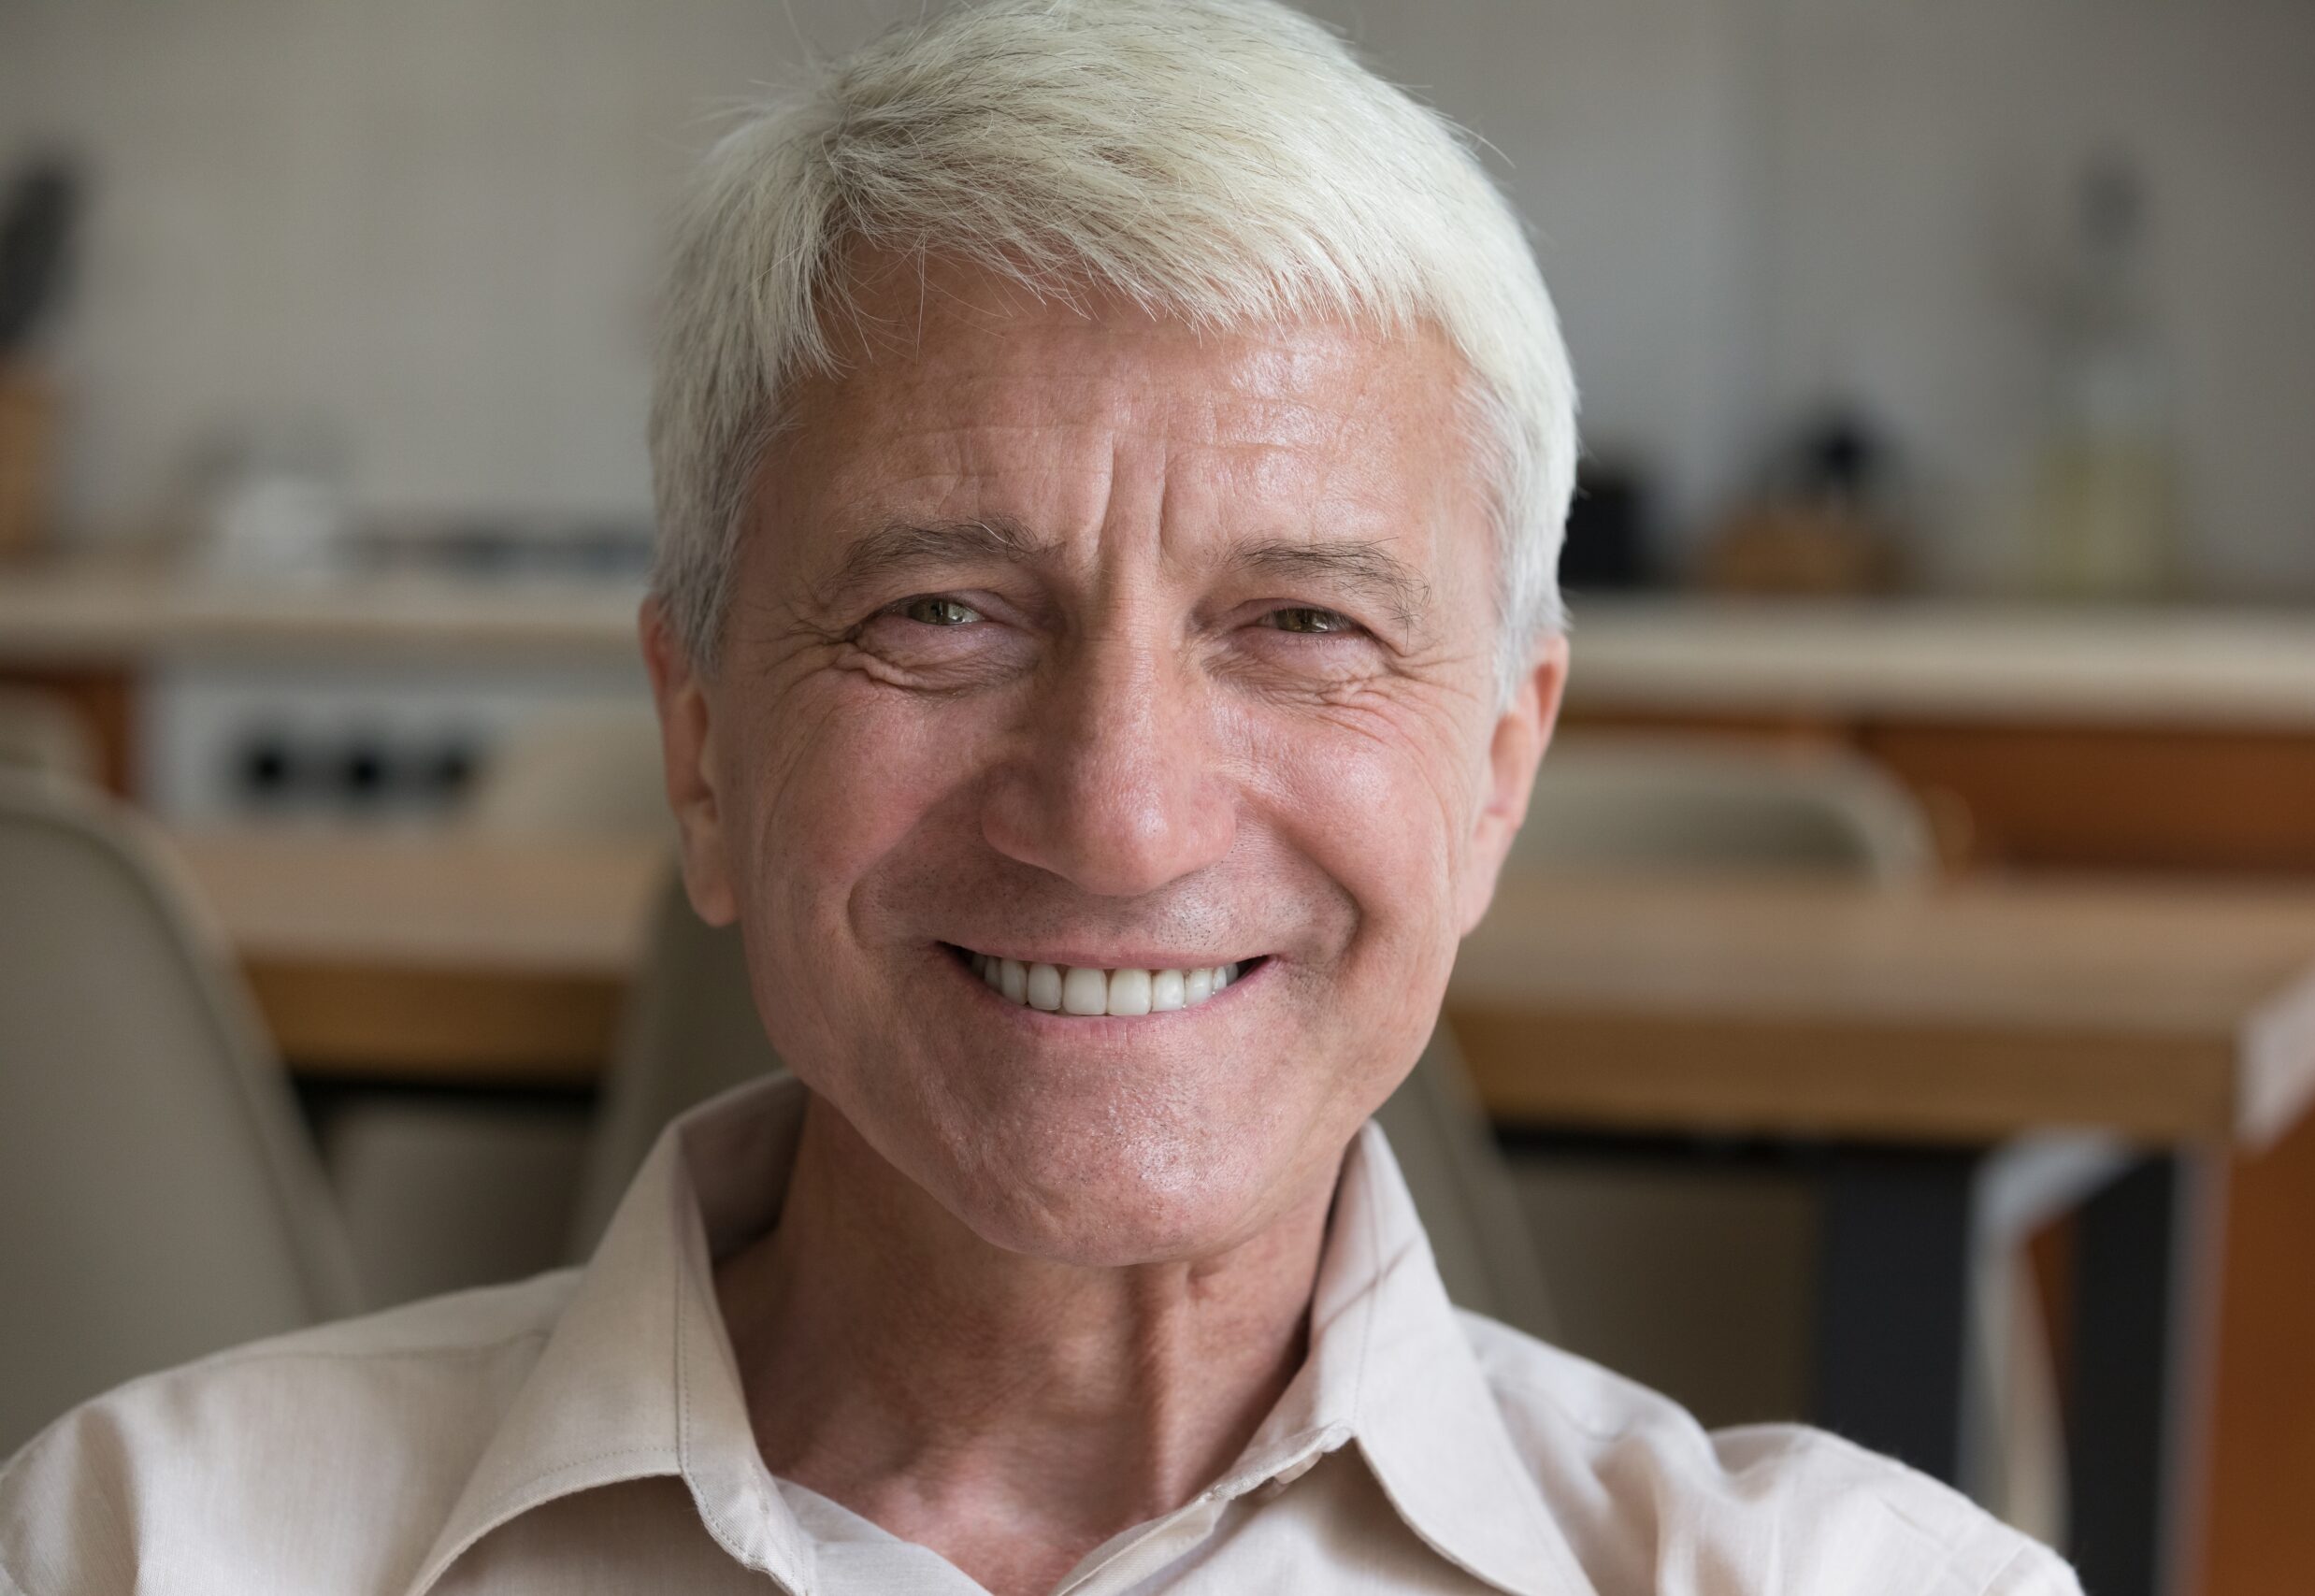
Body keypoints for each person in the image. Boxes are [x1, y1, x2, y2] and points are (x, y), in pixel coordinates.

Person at [0, 2, 2079, 1591]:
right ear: (703, 743)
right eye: (938, 610)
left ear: (1496, 765)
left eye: (1297, 623)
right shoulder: (148, 1541)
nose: (1117, 815)